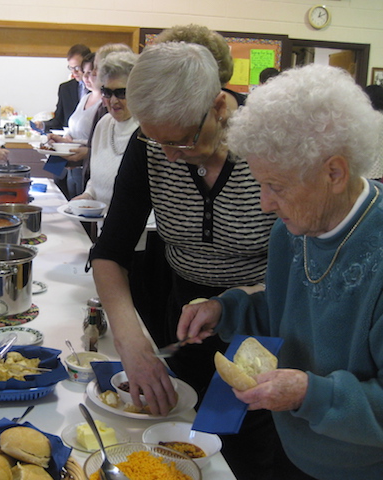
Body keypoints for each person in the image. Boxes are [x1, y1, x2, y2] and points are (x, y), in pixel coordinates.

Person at [178, 63, 383, 480]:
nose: (264, 203)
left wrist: (310, 394)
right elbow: (283, 313)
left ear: (335, 173)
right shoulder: (291, 230)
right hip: (292, 445)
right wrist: (226, 311)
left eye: (277, 186)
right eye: (260, 184)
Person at [89, 42, 279, 479]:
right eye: (158, 141)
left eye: (182, 141)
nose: (170, 156)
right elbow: (111, 251)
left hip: (262, 322)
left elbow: (306, 265)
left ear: (218, 107)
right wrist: (132, 343)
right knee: (179, 444)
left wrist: (237, 301)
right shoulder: (151, 144)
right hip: (185, 318)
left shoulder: (268, 140)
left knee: (243, 453)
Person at [73, 50, 139, 211]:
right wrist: (88, 195)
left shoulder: (147, 130)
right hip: (102, 220)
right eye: (107, 93)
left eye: (121, 93)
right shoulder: (104, 124)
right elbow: (96, 179)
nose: (113, 101)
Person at [35, 44, 90, 198]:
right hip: (64, 144)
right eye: (71, 68)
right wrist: (43, 125)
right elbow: (59, 119)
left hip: (84, 150)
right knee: (57, 190)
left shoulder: (98, 92)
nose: (74, 73)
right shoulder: (66, 88)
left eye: (78, 68)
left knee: (77, 193)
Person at [47, 52, 103, 199]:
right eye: (84, 72)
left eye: (91, 73)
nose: (85, 77)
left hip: (87, 165)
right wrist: (62, 140)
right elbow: (75, 130)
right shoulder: (86, 97)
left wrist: (87, 151)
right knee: (64, 199)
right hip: (72, 163)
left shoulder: (105, 103)